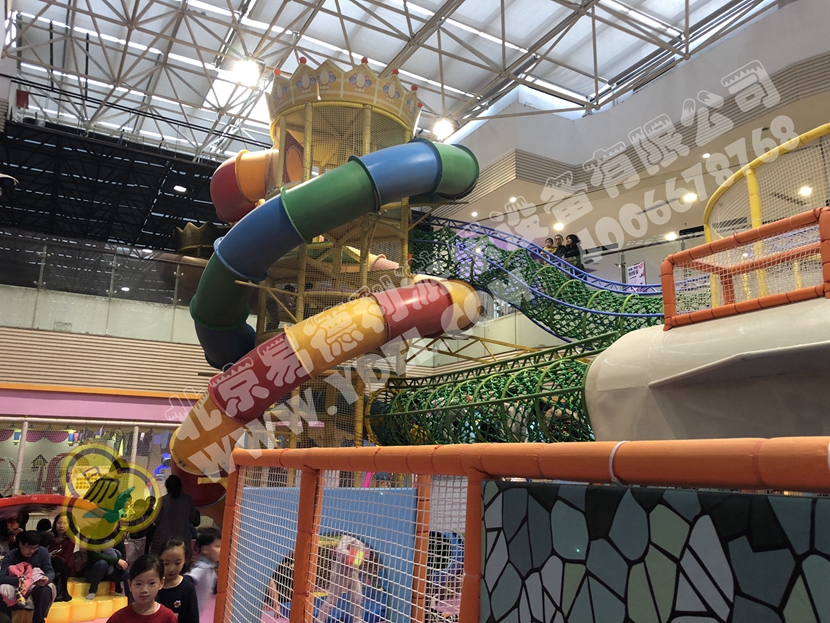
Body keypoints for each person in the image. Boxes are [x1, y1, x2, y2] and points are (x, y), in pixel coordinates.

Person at [0, 531, 56, 623]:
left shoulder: (42, 552)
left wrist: (47, 578)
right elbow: (2, 577)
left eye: (35, 548)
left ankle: (38, 620)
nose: (32, 551)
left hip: (35, 584)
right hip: (16, 587)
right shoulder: (11, 556)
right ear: (20, 544)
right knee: (2, 590)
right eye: (29, 547)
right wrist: (17, 580)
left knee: (45, 590)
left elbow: (50, 571)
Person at [106, 555, 176, 623]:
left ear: (161, 583)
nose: (144, 590)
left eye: (151, 583)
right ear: (130, 585)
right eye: (138, 584)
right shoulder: (119, 618)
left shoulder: (168, 617)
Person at [149, 476, 199, 559]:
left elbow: (155, 520)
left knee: (163, 562)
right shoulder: (188, 500)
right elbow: (194, 520)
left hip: (164, 539)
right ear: (180, 486)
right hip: (183, 538)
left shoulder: (162, 500)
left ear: (167, 486)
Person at [157, 538, 198, 623]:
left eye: (177, 563)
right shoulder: (154, 584)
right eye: (166, 563)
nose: (172, 569)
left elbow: (192, 618)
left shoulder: (187, 588)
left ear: (185, 560)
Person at [186, 527, 220, 623]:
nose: (221, 550)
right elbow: (187, 579)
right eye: (217, 546)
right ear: (205, 549)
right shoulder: (203, 569)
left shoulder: (211, 568)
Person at [47, 517, 73, 602]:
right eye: (59, 523)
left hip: (62, 565)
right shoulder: (49, 537)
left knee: (58, 562)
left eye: (65, 523)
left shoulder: (70, 540)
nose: (61, 526)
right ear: (55, 524)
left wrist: (54, 555)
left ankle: (62, 591)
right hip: (48, 563)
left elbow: (65, 558)